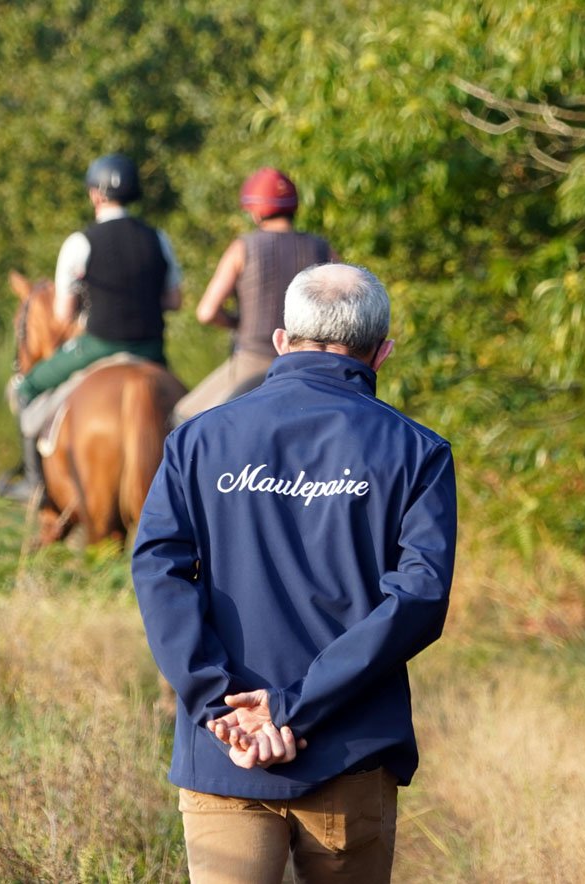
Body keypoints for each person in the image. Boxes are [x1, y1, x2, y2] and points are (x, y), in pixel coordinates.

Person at [132, 263, 457, 883]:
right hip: (348, 752)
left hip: (227, 751)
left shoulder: (197, 440)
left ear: (281, 340)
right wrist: (293, 710)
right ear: (381, 353)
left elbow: (159, 572)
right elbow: (419, 599)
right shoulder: (418, 452)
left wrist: (221, 707)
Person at [0, 153, 182, 501]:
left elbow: (63, 314)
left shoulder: (80, 242)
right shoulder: (158, 238)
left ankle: (35, 484)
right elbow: (174, 300)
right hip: (150, 349)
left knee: (26, 387)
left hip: (99, 345)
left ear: (96, 194)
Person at [172, 167, 339, 424]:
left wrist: (235, 322)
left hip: (254, 358)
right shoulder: (321, 248)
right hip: (311, 361)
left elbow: (206, 312)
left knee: (184, 416)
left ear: (257, 211)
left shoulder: (244, 247)